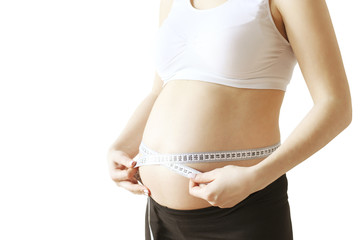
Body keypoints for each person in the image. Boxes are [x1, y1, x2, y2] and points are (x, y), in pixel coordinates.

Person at [107, 0, 352, 239]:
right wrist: (122, 145)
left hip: (241, 212)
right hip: (161, 217)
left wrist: (257, 178)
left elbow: (335, 106)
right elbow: (159, 91)